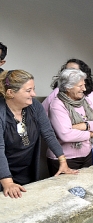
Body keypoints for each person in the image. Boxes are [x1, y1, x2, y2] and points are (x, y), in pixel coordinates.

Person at [0, 70, 76, 198]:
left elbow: (48, 133)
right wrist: (8, 182)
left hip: (27, 167)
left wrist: (62, 161)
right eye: (28, 90)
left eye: (33, 89)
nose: (34, 94)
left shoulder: (34, 106)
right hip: (3, 170)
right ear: (10, 93)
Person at [43, 58, 93, 164]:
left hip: (86, 153)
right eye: (80, 86)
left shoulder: (85, 100)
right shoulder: (57, 103)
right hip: (65, 158)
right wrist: (90, 134)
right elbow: (66, 135)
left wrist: (84, 125)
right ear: (68, 87)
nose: (83, 89)